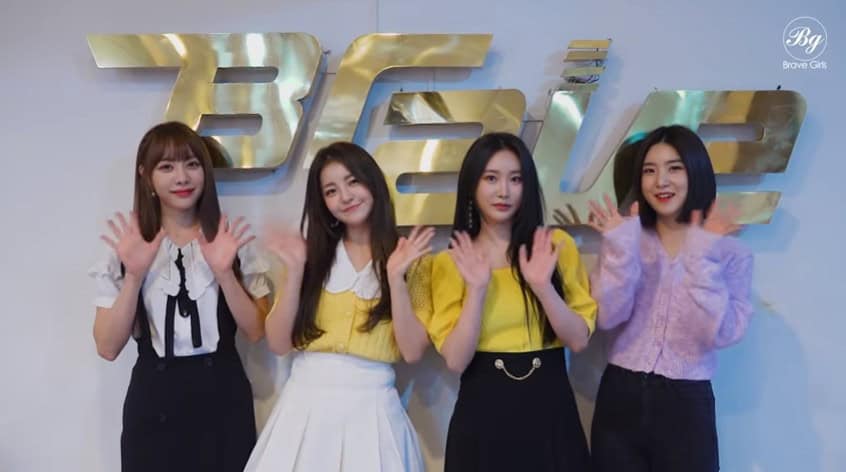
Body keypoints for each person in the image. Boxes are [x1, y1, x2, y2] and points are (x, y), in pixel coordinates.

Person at [89, 121, 271, 471]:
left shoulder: (230, 238)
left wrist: (224, 273)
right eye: (167, 167)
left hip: (223, 397)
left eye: (192, 164)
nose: (182, 177)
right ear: (145, 175)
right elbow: (107, 347)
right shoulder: (127, 246)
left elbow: (257, 330)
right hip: (153, 399)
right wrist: (134, 276)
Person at [245, 141, 433, 472]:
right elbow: (278, 343)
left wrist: (395, 279)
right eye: (331, 191)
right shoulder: (310, 257)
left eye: (353, 181)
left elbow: (413, 351)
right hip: (304, 406)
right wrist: (295, 271)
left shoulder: (410, 260)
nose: (345, 197)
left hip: (373, 407)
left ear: (373, 182)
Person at [588, 124, 754, 472]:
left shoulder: (729, 251)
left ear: (695, 171)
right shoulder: (626, 238)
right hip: (620, 392)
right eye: (649, 171)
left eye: (674, 168)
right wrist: (620, 250)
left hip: (686, 402)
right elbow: (607, 317)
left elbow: (720, 334)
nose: (661, 181)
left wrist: (702, 256)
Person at [429, 132, 596, 471]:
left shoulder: (555, 245)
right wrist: (477, 289)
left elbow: (579, 340)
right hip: (482, 416)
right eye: (491, 178)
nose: (503, 191)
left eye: (515, 179)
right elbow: (456, 360)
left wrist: (542, 286)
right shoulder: (452, 261)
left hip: (550, 411)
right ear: (472, 186)